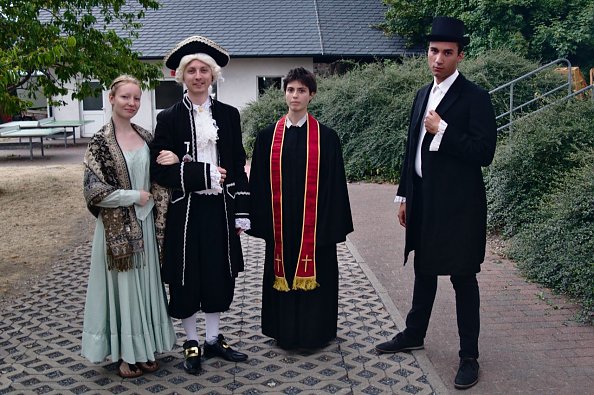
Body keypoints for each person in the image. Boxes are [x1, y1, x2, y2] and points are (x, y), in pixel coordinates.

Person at [374, 16, 497, 389]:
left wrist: (443, 129)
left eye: (447, 52)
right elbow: (410, 148)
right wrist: (404, 195)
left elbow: (484, 152)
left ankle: (469, 357)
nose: (438, 59)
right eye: (433, 51)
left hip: (459, 206)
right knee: (424, 269)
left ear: (460, 55)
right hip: (423, 200)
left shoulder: (475, 97)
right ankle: (414, 333)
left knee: (463, 277)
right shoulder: (421, 94)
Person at [149, 36, 250, 374]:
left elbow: (236, 163)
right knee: (187, 273)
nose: (197, 76)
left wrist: (242, 211)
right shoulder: (169, 118)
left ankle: (213, 337)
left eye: (203, 70)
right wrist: (200, 172)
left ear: (213, 74)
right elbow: (160, 169)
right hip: (186, 210)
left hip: (220, 209)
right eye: (191, 70)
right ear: (181, 76)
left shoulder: (229, 115)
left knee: (217, 271)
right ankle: (191, 341)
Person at [248, 67, 353, 350]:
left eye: (301, 90)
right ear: (284, 94)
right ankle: (283, 332)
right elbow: (257, 182)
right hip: (280, 226)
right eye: (291, 90)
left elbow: (335, 186)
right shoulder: (267, 137)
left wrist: (330, 227)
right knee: (280, 275)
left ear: (312, 95)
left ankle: (316, 333)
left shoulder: (327, 138)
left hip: (314, 227)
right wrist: (260, 222)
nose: (295, 95)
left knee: (319, 275)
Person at [82, 75, 176, 378]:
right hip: (116, 233)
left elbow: (163, 173)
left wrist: (175, 158)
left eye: (136, 98)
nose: (131, 103)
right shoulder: (99, 143)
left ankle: (145, 350)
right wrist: (134, 195)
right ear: (111, 99)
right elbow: (92, 190)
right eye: (125, 97)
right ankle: (126, 356)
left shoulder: (147, 136)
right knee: (124, 291)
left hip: (146, 225)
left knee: (145, 289)